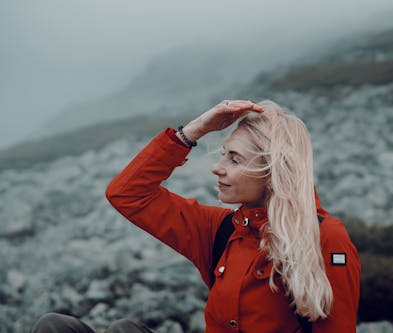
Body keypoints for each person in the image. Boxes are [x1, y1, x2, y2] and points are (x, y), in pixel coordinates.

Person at [31, 99, 361, 332]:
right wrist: (192, 132)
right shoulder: (220, 230)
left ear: (274, 170)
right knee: (58, 327)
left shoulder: (325, 237)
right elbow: (127, 194)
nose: (217, 168)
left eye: (234, 159)